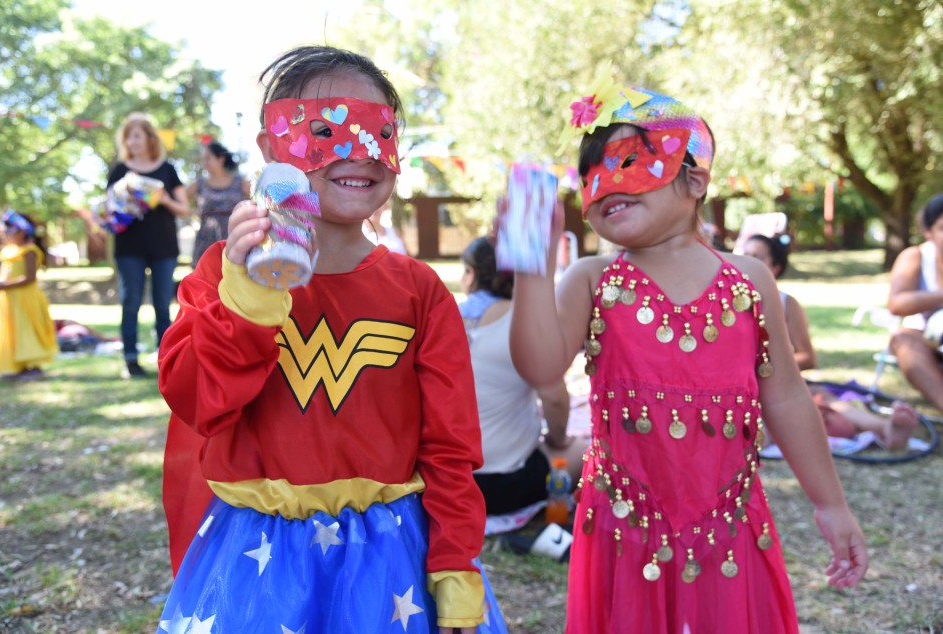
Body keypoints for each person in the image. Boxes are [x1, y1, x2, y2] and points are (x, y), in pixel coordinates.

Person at [156, 45, 507, 634]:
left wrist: (453, 567)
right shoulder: (222, 272)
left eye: (380, 132)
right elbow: (196, 399)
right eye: (323, 129)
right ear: (273, 148)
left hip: (389, 564)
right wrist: (250, 296)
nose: (358, 151)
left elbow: (450, 447)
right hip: (258, 564)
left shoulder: (420, 291)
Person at [509, 71, 867, 633]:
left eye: (629, 161)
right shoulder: (590, 278)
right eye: (589, 173)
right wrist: (529, 261)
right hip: (623, 525)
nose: (603, 184)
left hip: (727, 524)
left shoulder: (751, 280)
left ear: (695, 181)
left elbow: (787, 398)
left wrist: (831, 503)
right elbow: (538, 367)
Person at [744, 234, 918, 449]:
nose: (748, 263)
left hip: (777, 382)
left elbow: (807, 357)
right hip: (738, 388)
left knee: (818, 395)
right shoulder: (722, 299)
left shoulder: (786, 303)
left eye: (757, 257)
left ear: (775, 267)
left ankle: (886, 428)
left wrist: (765, 368)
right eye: (745, 256)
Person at [459, 236, 586, 516]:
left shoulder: (442, 316)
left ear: (474, 274)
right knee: (581, 450)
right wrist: (558, 439)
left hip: (443, 483)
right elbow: (554, 398)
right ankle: (555, 511)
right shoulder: (524, 322)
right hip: (504, 483)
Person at [107, 112, 190, 379]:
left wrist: (162, 199)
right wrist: (125, 204)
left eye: (136, 135)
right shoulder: (119, 171)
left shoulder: (167, 169)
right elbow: (108, 210)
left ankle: (166, 359)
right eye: (128, 136)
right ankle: (131, 360)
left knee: (162, 305)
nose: (132, 141)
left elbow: (184, 209)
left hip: (163, 248)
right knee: (130, 302)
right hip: (129, 248)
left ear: (149, 138)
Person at [887, 193, 943, 412]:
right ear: (928, 232)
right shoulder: (915, 257)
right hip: (923, 336)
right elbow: (896, 303)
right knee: (903, 339)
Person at [0, 210, 58, 380]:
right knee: (11, 330)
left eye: (7, 232)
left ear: (20, 231)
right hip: (9, 299)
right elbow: (4, 274)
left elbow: (30, 278)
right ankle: (17, 366)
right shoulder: (7, 252)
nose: (5, 235)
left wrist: (4, 284)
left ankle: (33, 365)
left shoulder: (29, 251)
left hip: (26, 298)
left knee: (27, 329)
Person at [187, 141, 251, 268]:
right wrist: (192, 212)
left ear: (220, 159)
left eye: (208, 158)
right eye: (203, 159)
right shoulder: (199, 183)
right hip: (206, 239)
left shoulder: (240, 182)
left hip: (234, 236)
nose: (204, 163)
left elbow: (257, 202)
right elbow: (180, 198)